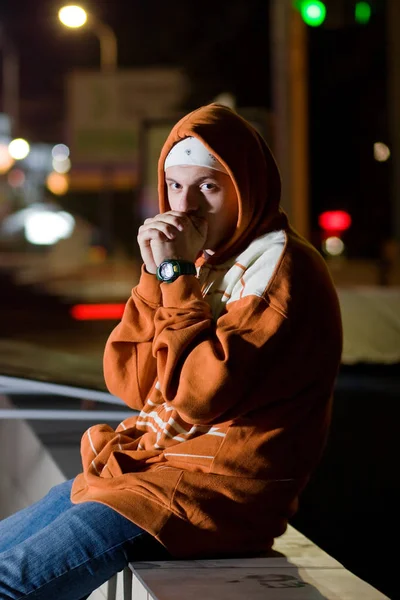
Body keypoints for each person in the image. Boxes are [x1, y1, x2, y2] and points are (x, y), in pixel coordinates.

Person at [0, 104, 342, 599]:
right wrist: (153, 276)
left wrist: (175, 278)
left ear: (245, 190)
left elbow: (199, 397)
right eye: (175, 186)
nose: (185, 207)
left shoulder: (281, 271)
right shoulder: (207, 261)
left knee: (10, 584)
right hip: (150, 470)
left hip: (209, 495)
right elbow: (135, 385)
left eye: (208, 186)